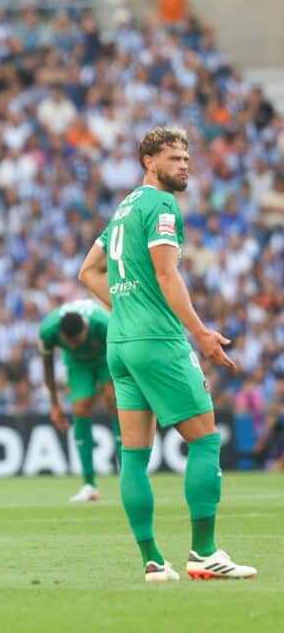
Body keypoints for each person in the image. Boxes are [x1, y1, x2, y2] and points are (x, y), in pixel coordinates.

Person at [78, 127, 256, 582]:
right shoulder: (161, 205)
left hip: (121, 342)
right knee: (205, 440)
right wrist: (200, 332)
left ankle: (153, 560)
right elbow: (165, 273)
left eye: (187, 159)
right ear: (148, 160)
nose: (184, 166)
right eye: (174, 158)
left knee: (134, 454)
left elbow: (88, 271)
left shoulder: (123, 210)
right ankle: (204, 552)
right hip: (158, 341)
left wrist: (128, 309)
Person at [39, 298, 121, 502]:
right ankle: (89, 484)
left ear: (85, 328)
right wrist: (55, 405)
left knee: (114, 401)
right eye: (69, 342)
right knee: (80, 407)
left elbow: (122, 353)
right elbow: (47, 366)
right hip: (77, 365)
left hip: (106, 358)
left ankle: (127, 477)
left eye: (76, 341)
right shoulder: (48, 331)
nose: (73, 344)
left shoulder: (103, 323)